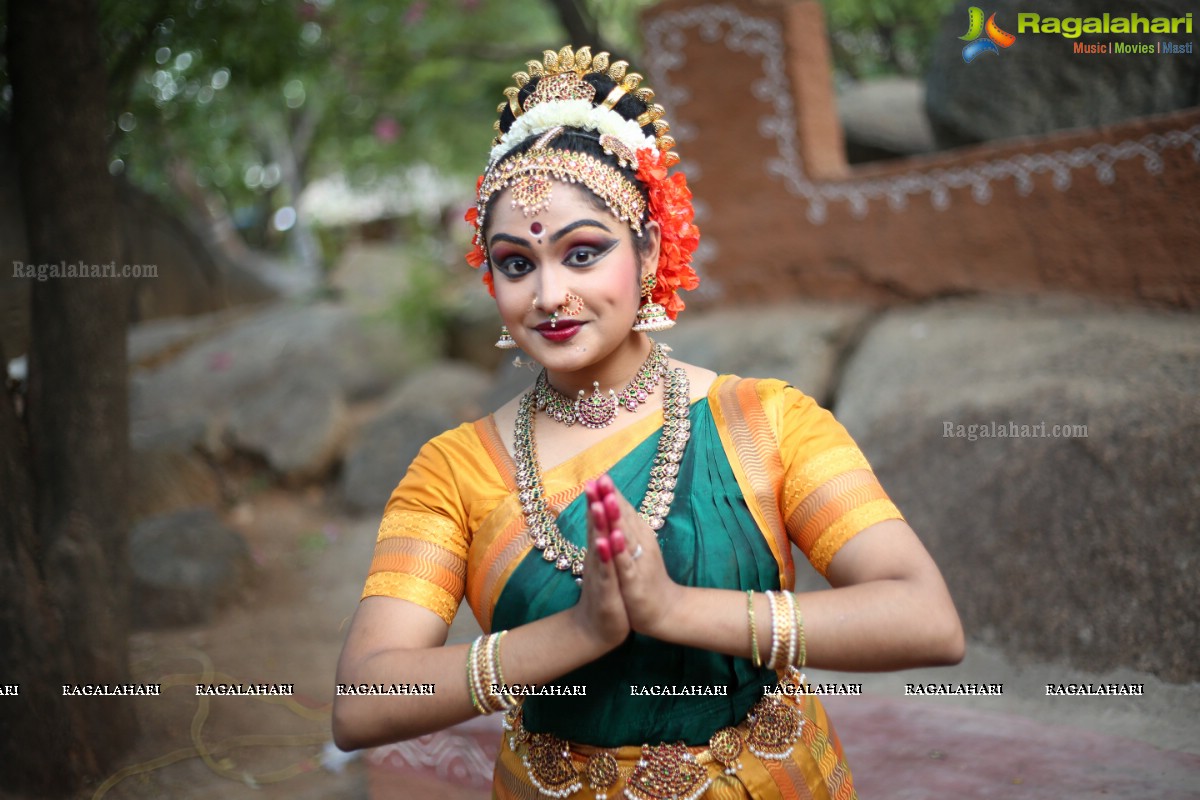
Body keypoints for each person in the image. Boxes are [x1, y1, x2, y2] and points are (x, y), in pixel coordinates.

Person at [333, 45, 964, 799]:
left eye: (583, 253)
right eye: (515, 263)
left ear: (651, 248)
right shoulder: (453, 471)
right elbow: (362, 700)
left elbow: (927, 618)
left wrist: (675, 609)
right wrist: (578, 634)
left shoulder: (764, 422)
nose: (548, 295)